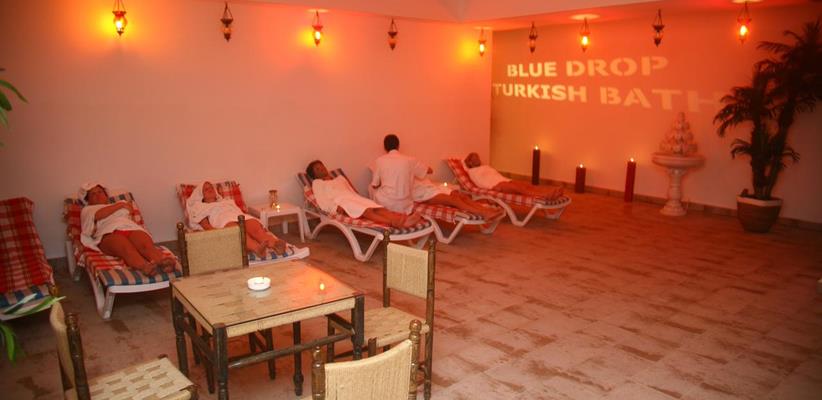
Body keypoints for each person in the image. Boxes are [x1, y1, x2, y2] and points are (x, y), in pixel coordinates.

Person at [79, 183, 176, 276]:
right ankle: (144, 266)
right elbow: (99, 215)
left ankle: (162, 262)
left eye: (100, 192)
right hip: (108, 233)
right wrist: (120, 205)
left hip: (128, 227)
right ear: (88, 200)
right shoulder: (87, 210)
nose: (98, 195)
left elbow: (130, 213)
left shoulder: (117, 204)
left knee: (145, 245)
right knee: (125, 247)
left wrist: (122, 206)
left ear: (106, 195)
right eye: (93, 194)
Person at [306, 160, 422, 228]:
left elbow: (351, 190)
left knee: (378, 208)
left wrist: (359, 198)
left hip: (353, 198)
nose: (321, 169)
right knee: (367, 211)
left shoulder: (339, 178)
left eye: (321, 166)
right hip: (343, 202)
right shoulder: (317, 183)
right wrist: (335, 208)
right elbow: (322, 201)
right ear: (314, 175)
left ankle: (405, 219)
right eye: (317, 169)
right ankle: (394, 223)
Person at [187, 181, 287, 258]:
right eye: (206, 189)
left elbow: (238, 211)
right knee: (237, 230)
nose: (210, 190)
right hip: (223, 221)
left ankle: (275, 244)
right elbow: (205, 225)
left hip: (239, 217)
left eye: (211, 187)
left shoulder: (226, 201)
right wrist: (218, 235)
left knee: (254, 225)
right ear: (201, 195)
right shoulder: (200, 207)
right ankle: (257, 249)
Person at [370, 134, 430, 214]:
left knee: (370, 187)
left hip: (386, 203)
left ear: (385, 148)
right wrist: (428, 168)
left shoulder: (379, 161)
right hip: (405, 204)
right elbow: (428, 171)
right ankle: (402, 216)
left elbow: (374, 185)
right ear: (398, 146)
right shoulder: (410, 160)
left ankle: (379, 211)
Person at [463, 152, 564, 199]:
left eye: (478, 157)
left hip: (504, 180)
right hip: (497, 185)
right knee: (520, 189)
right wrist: (492, 188)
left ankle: (549, 192)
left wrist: (505, 180)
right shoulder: (472, 172)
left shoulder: (484, 166)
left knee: (525, 185)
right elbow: (479, 183)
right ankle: (544, 196)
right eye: (475, 158)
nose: (478, 159)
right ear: (470, 162)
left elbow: (495, 174)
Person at [413, 178, 504, 220]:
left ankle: (485, 209)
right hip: (425, 195)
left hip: (434, 189)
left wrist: (446, 190)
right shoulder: (408, 175)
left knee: (462, 196)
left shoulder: (417, 172)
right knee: (454, 200)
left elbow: (429, 181)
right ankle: (483, 213)